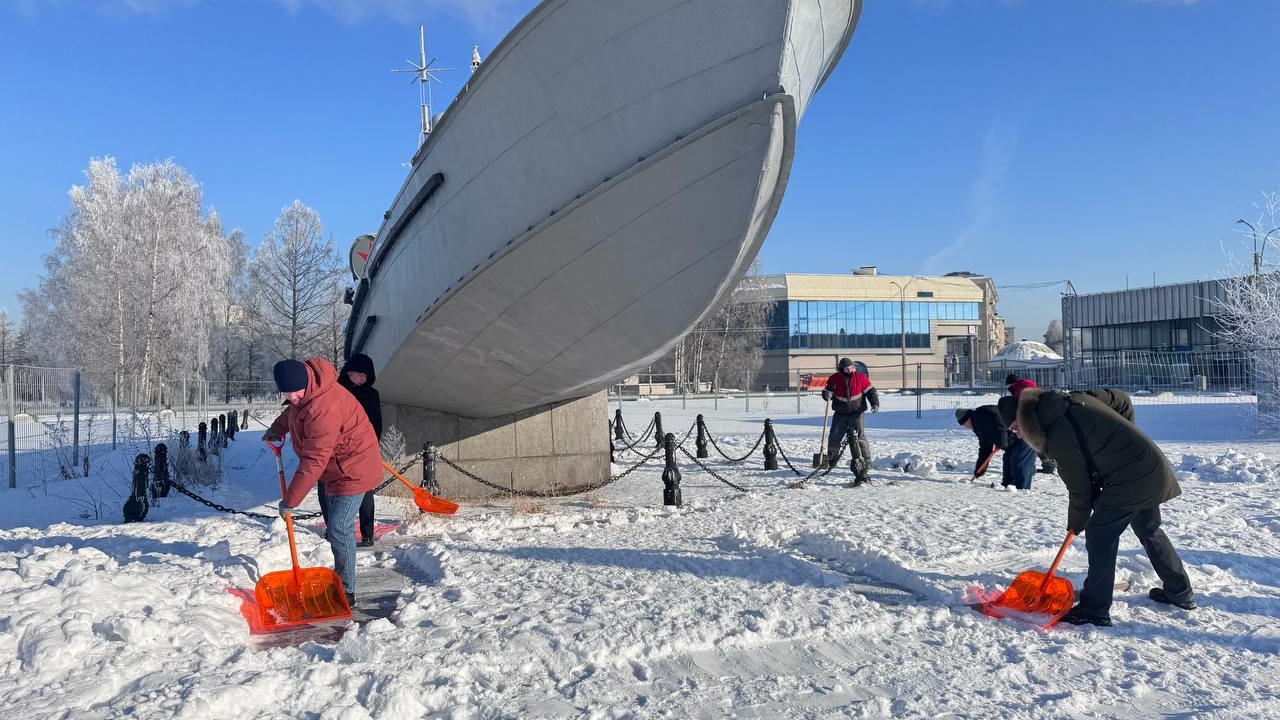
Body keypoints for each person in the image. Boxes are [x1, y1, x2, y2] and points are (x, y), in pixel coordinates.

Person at [999, 388, 1195, 627]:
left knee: (1100, 534)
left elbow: (1081, 488)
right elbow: (1121, 399)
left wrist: (1077, 524)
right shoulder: (1073, 398)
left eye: (1015, 428)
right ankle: (1180, 592)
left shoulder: (1057, 435)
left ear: (1025, 418)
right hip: (1148, 464)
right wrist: (1125, 439)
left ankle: (1095, 609)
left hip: (1130, 477)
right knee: (1148, 528)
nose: (1017, 435)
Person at [265, 357, 382, 607]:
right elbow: (294, 412)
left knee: (339, 527)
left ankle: (347, 591)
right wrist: (277, 428)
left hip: (354, 468)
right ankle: (342, 582)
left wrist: (290, 500)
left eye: (294, 393)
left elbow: (314, 460)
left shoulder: (324, 408)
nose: (291, 398)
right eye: (286, 393)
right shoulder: (308, 392)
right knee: (337, 527)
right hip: (338, 467)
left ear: (305, 384)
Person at [338, 353, 383, 547]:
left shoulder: (372, 395)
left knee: (365, 492)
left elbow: (376, 423)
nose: (361, 378)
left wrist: (371, 446)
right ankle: (336, 530)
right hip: (339, 451)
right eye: (358, 374)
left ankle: (367, 534)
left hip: (364, 450)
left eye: (365, 375)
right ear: (349, 372)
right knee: (337, 492)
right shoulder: (337, 391)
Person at [821, 357, 879, 485]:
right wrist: (827, 394)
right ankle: (831, 459)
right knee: (835, 436)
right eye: (847, 368)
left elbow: (871, 392)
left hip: (857, 413)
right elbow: (827, 390)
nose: (850, 370)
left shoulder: (861, 378)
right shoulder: (834, 379)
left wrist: (874, 403)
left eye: (852, 367)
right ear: (842, 369)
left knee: (859, 437)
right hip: (840, 413)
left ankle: (867, 461)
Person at [955, 405, 1033, 489]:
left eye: (964, 423)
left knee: (1018, 461)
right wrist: (979, 471)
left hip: (1026, 430)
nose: (966, 427)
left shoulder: (982, 413)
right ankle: (1008, 487)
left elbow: (999, 419)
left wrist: (1001, 441)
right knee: (1008, 460)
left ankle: (1021, 491)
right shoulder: (978, 428)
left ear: (968, 418)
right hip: (1013, 440)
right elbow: (985, 449)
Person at [1006, 373, 1057, 475]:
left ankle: (1034, 466)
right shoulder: (1028, 384)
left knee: (1032, 443)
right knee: (1039, 442)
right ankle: (1049, 464)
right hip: (1043, 414)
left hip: (1032, 417)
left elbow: (1021, 408)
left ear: (1010, 384)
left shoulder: (1018, 389)